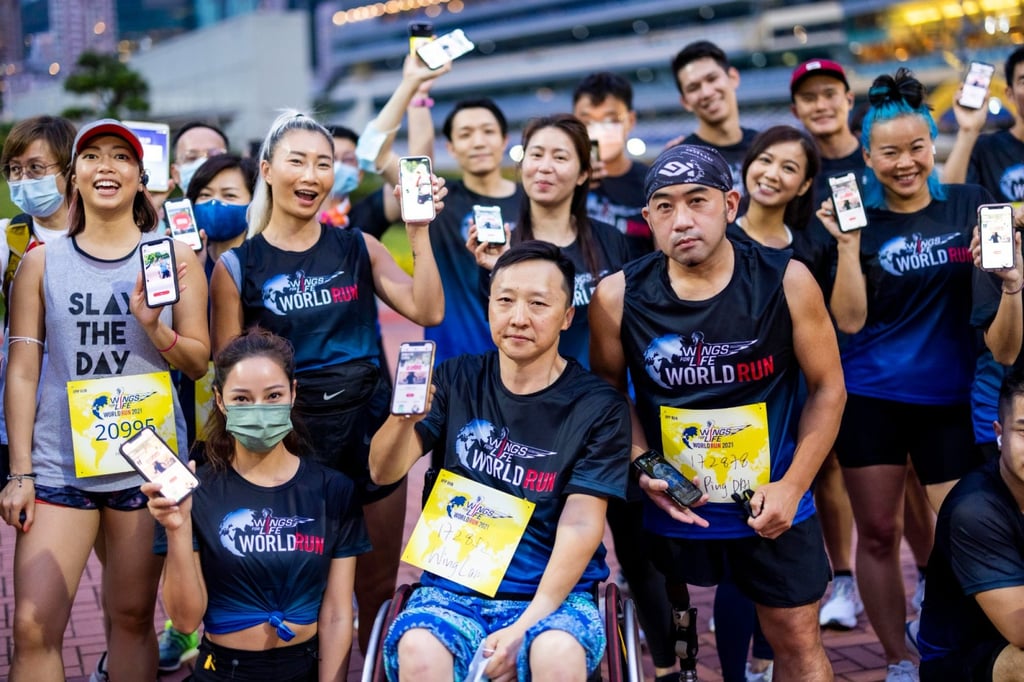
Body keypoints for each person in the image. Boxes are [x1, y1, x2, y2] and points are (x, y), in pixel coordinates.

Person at [590, 143, 847, 681]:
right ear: (647, 218)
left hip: (773, 498)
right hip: (676, 501)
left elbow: (828, 388)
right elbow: (609, 394)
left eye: (697, 201)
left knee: (798, 641)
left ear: (731, 204)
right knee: (679, 642)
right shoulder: (617, 295)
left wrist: (794, 485)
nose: (682, 220)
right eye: (665, 206)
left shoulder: (787, 279)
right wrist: (644, 464)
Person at [210, 109, 444, 657]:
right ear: (267, 170)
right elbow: (229, 375)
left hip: (372, 432)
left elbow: (428, 308)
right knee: (305, 594)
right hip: (292, 445)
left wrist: (419, 232)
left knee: (377, 587)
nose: (312, 175)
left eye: (324, 163)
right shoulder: (238, 267)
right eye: (297, 161)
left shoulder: (359, 246)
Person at [819, 68, 1023, 682]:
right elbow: (849, 320)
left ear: (933, 145)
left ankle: (947, 640)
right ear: (867, 156)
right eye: (889, 152)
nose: (905, 162)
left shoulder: (966, 204)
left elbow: (998, 323)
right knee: (879, 535)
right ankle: (897, 657)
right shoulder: (856, 221)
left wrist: (1009, 272)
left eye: (916, 147)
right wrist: (847, 248)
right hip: (871, 399)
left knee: (961, 527)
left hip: (948, 399)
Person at [0, 118, 209, 681]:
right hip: (59, 464)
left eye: (121, 156)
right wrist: (20, 473)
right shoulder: (42, 261)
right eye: (93, 156)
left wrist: (154, 326)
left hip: (146, 466)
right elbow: (22, 369)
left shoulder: (173, 258)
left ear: (142, 177)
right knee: (33, 626)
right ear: (74, 176)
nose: (106, 167)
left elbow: (198, 362)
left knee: (132, 618)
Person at [369, 240, 631, 681]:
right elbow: (382, 472)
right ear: (489, 306)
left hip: (554, 595)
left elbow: (582, 524)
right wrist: (401, 419)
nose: (518, 318)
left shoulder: (598, 407)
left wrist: (525, 625)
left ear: (568, 316)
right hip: (452, 590)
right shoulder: (455, 379)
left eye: (538, 304)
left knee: (555, 652)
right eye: (505, 300)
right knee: (418, 649)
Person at [789, 58, 937, 630]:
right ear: (797, 109)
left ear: (847, 99)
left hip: (894, 340)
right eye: (808, 97)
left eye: (829, 93)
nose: (820, 105)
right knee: (831, 466)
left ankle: (928, 577)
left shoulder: (883, 156)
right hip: (828, 334)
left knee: (913, 479)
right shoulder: (803, 168)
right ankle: (846, 580)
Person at [146, 328, 370, 682]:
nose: (260, 410)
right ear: (220, 401)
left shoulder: (333, 490)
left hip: (304, 669)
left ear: (293, 393)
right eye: (242, 399)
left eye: (273, 395)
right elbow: (186, 621)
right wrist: (177, 528)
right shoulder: (194, 493)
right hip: (223, 672)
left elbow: (338, 614)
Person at [467, 114, 630, 367]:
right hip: (531, 387)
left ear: (583, 174)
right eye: (536, 155)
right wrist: (501, 269)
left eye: (560, 157)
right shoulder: (502, 249)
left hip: (599, 387)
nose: (544, 167)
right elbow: (501, 331)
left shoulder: (610, 240)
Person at [914, 369, 1024, 682]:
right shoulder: (974, 510)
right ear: (999, 434)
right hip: (962, 660)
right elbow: (1021, 631)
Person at [414, 97, 525, 364]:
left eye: (488, 131)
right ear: (450, 148)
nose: (478, 142)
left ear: (504, 140)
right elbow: (414, 166)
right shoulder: (438, 200)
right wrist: (416, 95)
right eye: (465, 134)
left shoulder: (533, 202)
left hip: (520, 362)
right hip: (452, 363)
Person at [572, 71, 653, 259]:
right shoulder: (562, 182)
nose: (598, 129)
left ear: (630, 120)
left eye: (610, 120)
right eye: (587, 121)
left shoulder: (650, 182)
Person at [669, 41, 758, 190]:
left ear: (733, 78)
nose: (706, 93)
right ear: (685, 102)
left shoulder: (764, 147)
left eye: (712, 79)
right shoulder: (679, 161)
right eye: (693, 88)